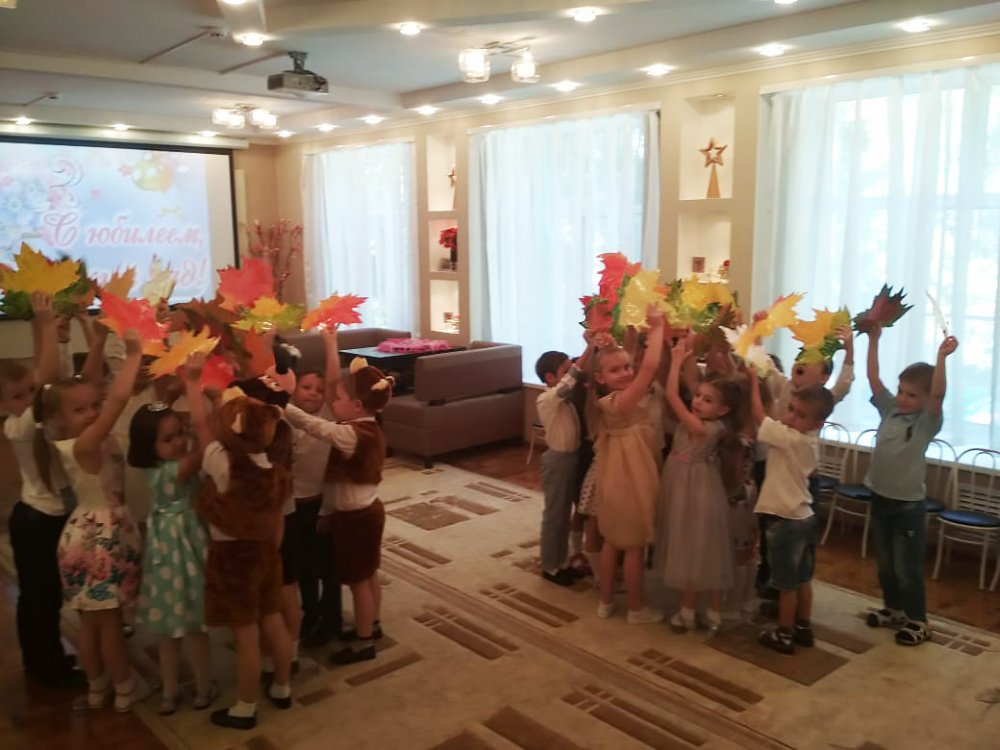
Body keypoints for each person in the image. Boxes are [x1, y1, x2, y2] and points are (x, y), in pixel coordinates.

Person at [35, 328, 144, 711]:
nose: (93, 413)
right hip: (100, 540)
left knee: (90, 623)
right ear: (59, 418)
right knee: (108, 624)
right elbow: (116, 400)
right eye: (80, 410)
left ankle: (97, 687)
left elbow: (93, 385)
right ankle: (124, 688)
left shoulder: (68, 439)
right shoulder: (85, 443)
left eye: (93, 406)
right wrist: (134, 355)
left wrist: (96, 343)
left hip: (83, 534)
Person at [187, 356, 294, 731]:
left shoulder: (222, 462)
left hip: (233, 557)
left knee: (246, 634)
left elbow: (203, 426)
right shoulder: (275, 471)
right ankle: (282, 687)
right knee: (274, 621)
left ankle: (245, 708)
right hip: (267, 552)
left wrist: (193, 382)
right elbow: (278, 519)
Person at [283, 328, 391, 664]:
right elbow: (335, 483)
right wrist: (326, 511)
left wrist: (282, 404)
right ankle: (372, 624)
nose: (332, 400)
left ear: (356, 405)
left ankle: (363, 642)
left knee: (358, 581)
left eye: (338, 398)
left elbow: (316, 427)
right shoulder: (365, 427)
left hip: (357, 518)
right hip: (363, 511)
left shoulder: (351, 433)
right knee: (368, 573)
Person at [3, 292, 84, 688]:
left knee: (48, 595)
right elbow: (46, 379)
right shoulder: (18, 426)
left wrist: (48, 330)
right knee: (39, 596)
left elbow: (51, 378)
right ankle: (43, 665)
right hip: (35, 521)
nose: (27, 399)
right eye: (16, 396)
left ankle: (47, 658)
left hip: (51, 517)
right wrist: (46, 326)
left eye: (27, 391)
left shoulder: (39, 417)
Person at [863, 324, 959, 646]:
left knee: (907, 568)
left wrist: (941, 358)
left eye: (912, 395)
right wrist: (874, 340)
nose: (903, 398)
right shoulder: (890, 409)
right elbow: (873, 378)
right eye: (901, 391)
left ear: (926, 399)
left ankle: (918, 620)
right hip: (880, 500)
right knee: (886, 565)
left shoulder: (926, 422)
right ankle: (894, 609)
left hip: (907, 508)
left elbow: (939, 394)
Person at [127, 401, 216, 714]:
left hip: (173, 548)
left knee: (172, 628)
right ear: (148, 447)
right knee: (192, 626)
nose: (179, 441)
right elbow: (202, 454)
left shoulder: (163, 465)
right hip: (181, 547)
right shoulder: (166, 470)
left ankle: (172, 692)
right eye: (168, 439)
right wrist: (206, 427)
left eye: (180, 433)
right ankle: (198, 689)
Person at [756, 325, 855, 595]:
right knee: (769, 528)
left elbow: (844, 383)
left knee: (800, 540)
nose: (800, 361)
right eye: (799, 356)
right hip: (775, 469)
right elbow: (764, 364)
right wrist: (757, 331)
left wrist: (849, 349)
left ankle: (796, 583)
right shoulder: (783, 385)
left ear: (823, 377)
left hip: (802, 479)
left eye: (809, 360)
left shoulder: (822, 400)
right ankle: (771, 577)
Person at [590, 307, 666, 624]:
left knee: (613, 541)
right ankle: (636, 609)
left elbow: (634, 358)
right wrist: (658, 327)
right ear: (600, 378)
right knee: (634, 546)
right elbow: (648, 368)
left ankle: (606, 602)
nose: (624, 373)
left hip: (614, 479)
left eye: (626, 367)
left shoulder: (609, 400)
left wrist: (630, 330)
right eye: (615, 371)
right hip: (632, 480)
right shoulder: (622, 402)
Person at [658, 340, 740, 633]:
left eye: (707, 400)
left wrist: (676, 360)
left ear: (722, 410)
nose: (697, 401)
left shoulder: (703, 427)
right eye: (698, 396)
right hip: (693, 481)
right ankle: (711, 613)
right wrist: (689, 352)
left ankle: (688, 612)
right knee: (704, 548)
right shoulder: (709, 421)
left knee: (693, 548)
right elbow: (693, 382)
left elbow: (671, 394)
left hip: (692, 488)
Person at [750, 375, 835, 654]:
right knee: (802, 579)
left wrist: (753, 381)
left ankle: (784, 633)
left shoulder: (791, 439)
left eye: (800, 415)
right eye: (790, 409)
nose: (790, 418)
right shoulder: (809, 441)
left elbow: (759, 416)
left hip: (785, 520)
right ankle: (803, 627)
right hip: (803, 517)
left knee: (786, 584)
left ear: (816, 424)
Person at [535, 334, 597, 586]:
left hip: (571, 458)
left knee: (564, 515)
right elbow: (570, 380)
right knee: (555, 516)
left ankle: (562, 562)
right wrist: (589, 346)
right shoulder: (548, 399)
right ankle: (550, 567)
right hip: (558, 461)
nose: (571, 373)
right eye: (564, 369)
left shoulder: (565, 400)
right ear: (550, 377)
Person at [290, 369, 340, 648]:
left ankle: (331, 618)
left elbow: (332, 379)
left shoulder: (327, 416)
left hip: (323, 505)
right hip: (295, 506)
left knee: (328, 566)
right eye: (306, 387)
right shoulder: (285, 417)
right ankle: (310, 613)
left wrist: (331, 346)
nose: (313, 393)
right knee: (303, 566)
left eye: (319, 390)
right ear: (293, 389)